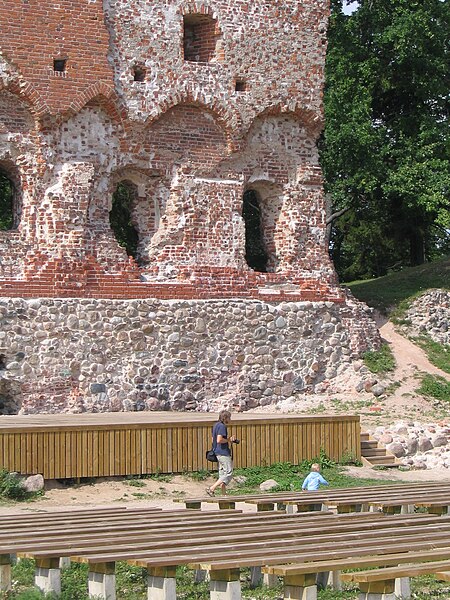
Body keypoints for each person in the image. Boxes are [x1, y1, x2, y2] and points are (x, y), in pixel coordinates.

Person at [206, 410, 236, 496]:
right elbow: (219, 440)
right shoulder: (222, 426)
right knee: (228, 473)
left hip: (217, 452)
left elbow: (213, 440)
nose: (230, 419)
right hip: (223, 452)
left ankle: (224, 494)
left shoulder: (215, 425)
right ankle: (212, 488)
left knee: (222, 473)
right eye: (229, 418)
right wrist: (228, 440)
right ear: (225, 418)